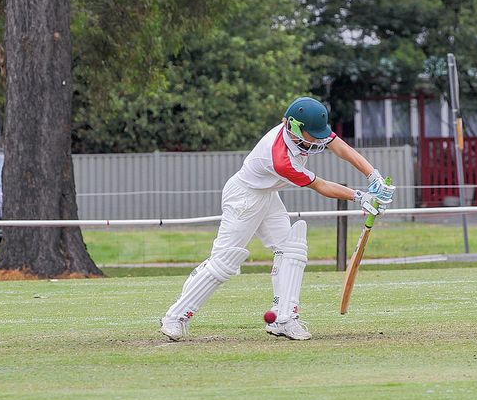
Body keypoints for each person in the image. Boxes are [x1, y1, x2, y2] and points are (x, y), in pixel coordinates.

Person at [160, 97, 395, 341]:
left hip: (267, 194)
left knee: (291, 249)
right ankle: (175, 317)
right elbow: (321, 185)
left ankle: (284, 319)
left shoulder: (305, 130)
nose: (317, 140)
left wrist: (373, 176)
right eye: (312, 135)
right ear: (294, 127)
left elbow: (341, 149)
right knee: (224, 262)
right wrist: (360, 197)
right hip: (244, 197)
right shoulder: (280, 158)